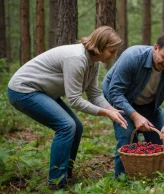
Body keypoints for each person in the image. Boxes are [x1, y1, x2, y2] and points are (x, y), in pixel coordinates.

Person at [7, 26, 128, 189]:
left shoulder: (94, 63)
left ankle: (66, 174)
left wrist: (112, 110)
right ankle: (57, 183)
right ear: (99, 46)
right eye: (111, 51)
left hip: (43, 92)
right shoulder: (77, 58)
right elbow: (75, 100)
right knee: (66, 126)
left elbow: (94, 93)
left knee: (76, 127)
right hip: (23, 90)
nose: (114, 56)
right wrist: (106, 113)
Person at [102, 32, 164, 177]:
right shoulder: (132, 57)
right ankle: (122, 179)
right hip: (121, 101)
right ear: (156, 48)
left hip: (149, 105)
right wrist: (134, 115)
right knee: (127, 138)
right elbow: (115, 92)